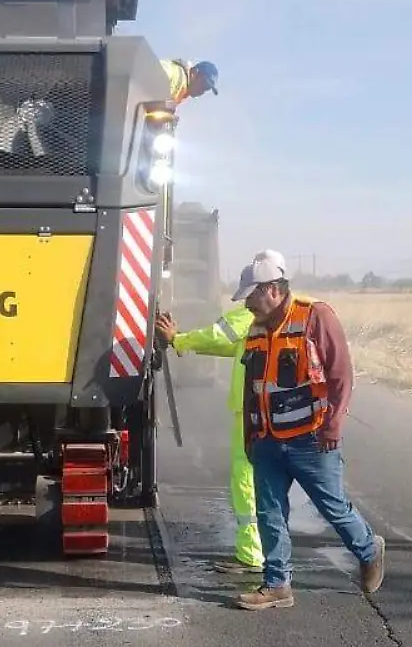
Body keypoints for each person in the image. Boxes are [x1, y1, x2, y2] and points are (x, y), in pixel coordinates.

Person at [231, 250, 385, 610]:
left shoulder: (316, 316)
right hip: (267, 440)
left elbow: (341, 375)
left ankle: (368, 548)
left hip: (311, 438)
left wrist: (332, 427)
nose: (247, 304)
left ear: (271, 289)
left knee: (332, 508)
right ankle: (277, 584)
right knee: (268, 513)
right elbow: (251, 387)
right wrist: (249, 434)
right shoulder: (255, 328)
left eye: (251, 296)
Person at [155, 305, 263, 575]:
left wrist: (178, 340)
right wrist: (181, 339)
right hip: (266, 409)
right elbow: (230, 347)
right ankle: (265, 552)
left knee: (245, 480)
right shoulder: (282, 315)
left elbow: (218, 335)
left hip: (250, 410)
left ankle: (252, 554)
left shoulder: (251, 313)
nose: (247, 300)